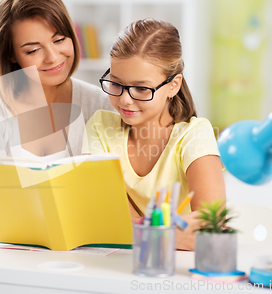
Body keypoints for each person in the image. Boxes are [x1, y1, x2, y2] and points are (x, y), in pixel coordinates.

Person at [83, 19, 226, 250]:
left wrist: (131, 229)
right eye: (116, 84)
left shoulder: (194, 135)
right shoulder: (100, 127)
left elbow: (212, 229)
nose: (125, 99)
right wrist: (169, 234)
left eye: (141, 88)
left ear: (173, 85)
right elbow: (101, 216)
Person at [0, 0, 114, 165]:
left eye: (59, 40)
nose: (52, 58)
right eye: (34, 50)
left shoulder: (102, 105)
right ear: (11, 54)